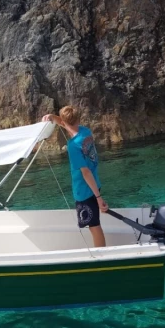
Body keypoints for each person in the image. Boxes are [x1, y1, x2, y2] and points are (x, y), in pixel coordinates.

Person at [42, 106, 108, 247]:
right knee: (94, 224)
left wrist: (98, 199)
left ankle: (101, 258)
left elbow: (85, 172)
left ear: (64, 122)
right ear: (78, 119)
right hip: (95, 185)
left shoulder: (73, 146)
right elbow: (66, 123)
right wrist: (53, 117)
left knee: (94, 226)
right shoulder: (86, 132)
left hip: (85, 191)